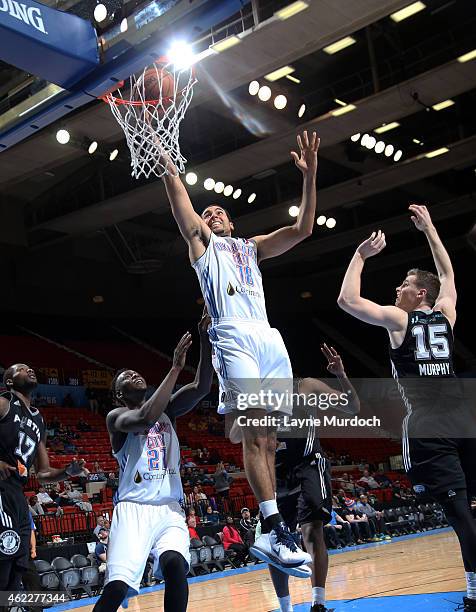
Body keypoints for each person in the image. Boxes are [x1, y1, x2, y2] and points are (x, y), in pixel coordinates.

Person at [161, 129, 319, 575]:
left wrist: (309, 177)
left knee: (270, 438)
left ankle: (273, 531)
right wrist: (169, 164)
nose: (212, 215)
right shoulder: (204, 248)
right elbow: (183, 211)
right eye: (207, 212)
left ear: (232, 223)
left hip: (268, 338)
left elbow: (304, 228)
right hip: (232, 334)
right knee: (253, 433)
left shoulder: (252, 248)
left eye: (219, 212)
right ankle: (270, 525)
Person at [338, 203, 476, 611]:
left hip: (431, 426)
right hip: (463, 421)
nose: (396, 288)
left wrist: (360, 256)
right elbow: (448, 277)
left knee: (460, 516)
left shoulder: (400, 320)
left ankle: (473, 593)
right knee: (467, 514)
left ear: (418, 294)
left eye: (403, 283)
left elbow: (347, 300)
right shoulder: (446, 317)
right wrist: (431, 228)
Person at [92, 313, 213, 612]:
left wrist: (205, 339)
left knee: (175, 565)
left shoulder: (168, 410)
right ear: (120, 394)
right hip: (134, 509)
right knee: (118, 588)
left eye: (137, 373)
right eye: (127, 378)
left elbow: (202, 386)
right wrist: (174, 368)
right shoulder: (116, 418)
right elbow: (145, 417)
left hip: (170, 508)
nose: (135, 375)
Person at [0, 364, 88, 593]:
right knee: (3, 566)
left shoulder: (39, 420)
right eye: (21, 369)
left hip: (16, 494)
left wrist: (68, 471)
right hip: (0, 490)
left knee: (17, 570)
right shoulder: (3, 403)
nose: (29, 370)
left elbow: (42, 474)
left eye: (31, 368)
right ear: (9, 381)